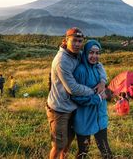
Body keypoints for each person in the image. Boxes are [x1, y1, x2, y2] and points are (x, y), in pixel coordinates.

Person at [46, 27, 107, 159]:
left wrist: (102, 81)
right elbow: (72, 88)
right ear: (66, 40)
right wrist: (94, 92)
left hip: (73, 107)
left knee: (67, 143)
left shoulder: (77, 54)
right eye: (74, 41)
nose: (77, 44)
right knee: (59, 145)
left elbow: (98, 64)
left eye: (80, 41)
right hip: (60, 109)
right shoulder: (62, 60)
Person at [71, 40, 113, 159]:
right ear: (85, 53)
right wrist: (98, 97)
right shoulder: (80, 71)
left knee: (106, 150)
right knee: (83, 151)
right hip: (85, 117)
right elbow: (75, 96)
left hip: (100, 117)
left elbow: (103, 78)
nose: (94, 56)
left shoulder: (98, 67)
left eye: (97, 53)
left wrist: (103, 83)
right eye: (91, 52)